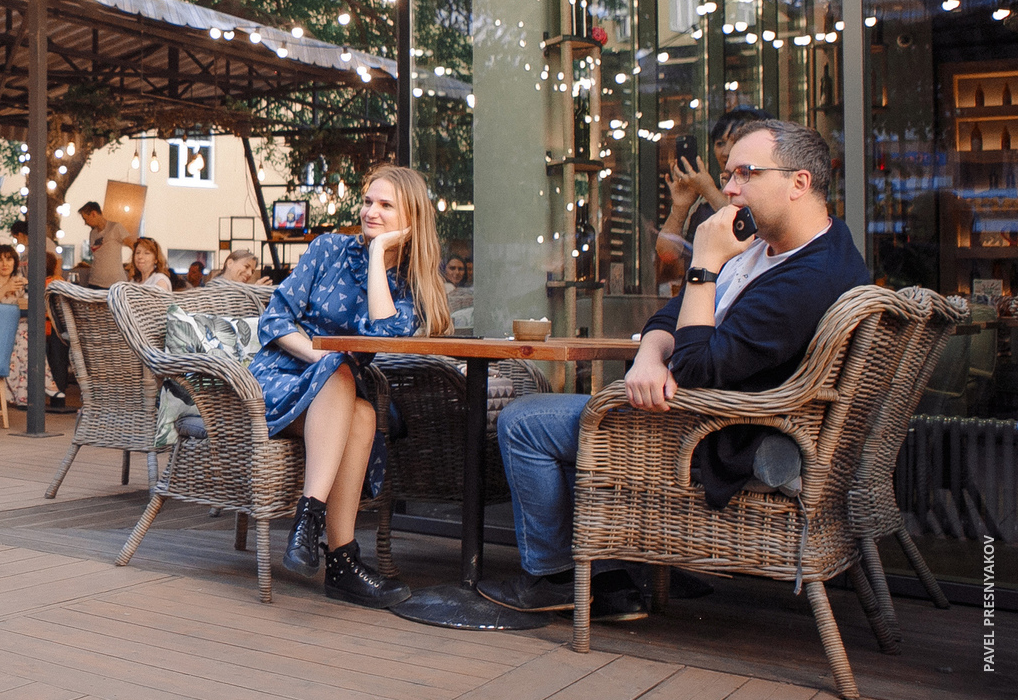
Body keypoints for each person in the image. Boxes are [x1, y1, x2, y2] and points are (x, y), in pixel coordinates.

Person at [483, 120, 871, 622]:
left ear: (799, 182)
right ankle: (612, 580)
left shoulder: (811, 278)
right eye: (728, 175)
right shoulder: (772, 248)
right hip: (697, 409)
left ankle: (554, 577)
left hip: (712, 434)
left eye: (745, 173)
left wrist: (704, 264)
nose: (729, 189)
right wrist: (649, 356)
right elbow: (673, 316)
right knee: (563, 417)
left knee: (524, 421)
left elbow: (697, 368)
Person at [252, 165, 451, 608]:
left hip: (338, 397)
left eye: (385, 205)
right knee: (340, 374)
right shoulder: (328, 249)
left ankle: (331, 552)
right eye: (367, 201)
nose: (370, 212)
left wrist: (378, 254)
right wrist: (321, 359)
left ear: (411, 220)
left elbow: (382, 335)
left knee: (362, 413)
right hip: (281, 375)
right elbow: (275, 319)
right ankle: (321, 535)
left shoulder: (411, 286)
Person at [658, 106, 770, 270]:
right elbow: (667, 253)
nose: (726, 151)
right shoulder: (703, 197)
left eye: (735, 141)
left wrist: (708, 190)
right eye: (720, 143)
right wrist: (680, 208)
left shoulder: (767, 188)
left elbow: (751, 235)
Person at [0, 246, 59, 408]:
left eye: (9, 259)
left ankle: (25, 394)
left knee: (28, 333)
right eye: (0, 260)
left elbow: (26, 304)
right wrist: (4, 289)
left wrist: (30, 287)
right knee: (24, 334)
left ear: (15, 262)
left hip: (14, 328)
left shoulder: (18, 280)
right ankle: (46, 384)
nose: (5, 264)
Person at [79, 202, 131, 288]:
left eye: (86, 219)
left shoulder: (115, 227)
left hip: (114, 282)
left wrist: (133, 266)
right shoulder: (92, 233)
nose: (85, 223)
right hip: (94, 281)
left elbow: (133, 245)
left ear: (93, 214)